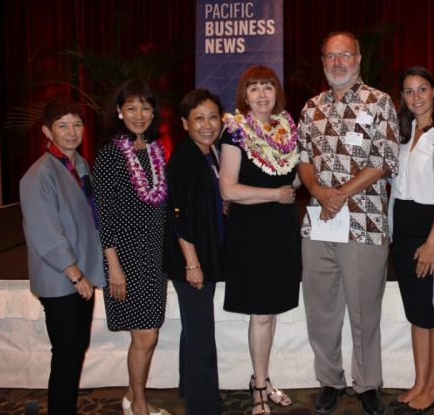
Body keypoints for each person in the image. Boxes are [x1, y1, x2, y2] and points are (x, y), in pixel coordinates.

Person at [298, 31, 399, 415]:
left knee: (363, 310)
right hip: (319, 223)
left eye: (345, 55)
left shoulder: (380, 103)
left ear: (358, 60)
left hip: (365, 224)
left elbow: (383, 159)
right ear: (323, 62)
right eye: (330, 56)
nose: (338, 62)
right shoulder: (310, 108)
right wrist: (318, 191)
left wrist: (338, 192)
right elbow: (303, 159)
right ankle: (329, 379)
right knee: (321, 309)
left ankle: (368, 383)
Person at [220, 65, 301, 415]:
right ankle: (258, 387)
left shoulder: (286, 130)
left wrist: (291, 189)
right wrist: (275, 195)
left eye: (268, 87)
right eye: (254, 88)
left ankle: (264, 378)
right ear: (245, 95)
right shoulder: (236, 133)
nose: (262, 94)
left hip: (281, 229)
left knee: (271, 310)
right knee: (262, 312)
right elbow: (228, 188)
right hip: (251, 233)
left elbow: (294, 180)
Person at [19, 98, 105, 415]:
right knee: (67, 353)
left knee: (74, 351)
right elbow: (46, 231)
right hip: (62, 280)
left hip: (79, 276)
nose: (71, 132)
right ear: (47, 130)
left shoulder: (79, 166)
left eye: (77, 124)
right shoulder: (39, 174)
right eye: (62, 126)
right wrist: (75, 273)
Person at [387, 66, 434, 415]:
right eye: (408, 91)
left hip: (430, 232)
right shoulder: (404, 135)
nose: (415, 97)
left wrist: (433, 242)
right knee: (417, 315)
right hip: (402, 233)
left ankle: (433, 389)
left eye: (421, 89)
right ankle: (419, 382)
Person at [93, 79, 169, 415]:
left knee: (148, 334)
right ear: (120, 112)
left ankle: (130, 395)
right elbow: (104, 215)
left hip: (154, 256)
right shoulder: (111, 155)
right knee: (146, 336)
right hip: (126, 257)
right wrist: (114, 267)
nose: (140, 115)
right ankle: (138, 405)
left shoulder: (154, 151)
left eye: (146, 108)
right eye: (132, 108)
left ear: (154, 112)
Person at [163, 89, 225, 414]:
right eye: (198, 118)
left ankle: (190, 388)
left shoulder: (209, 153)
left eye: (212, 117)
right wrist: (192, 263)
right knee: (202, 334)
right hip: (190, 261)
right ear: (185, 123)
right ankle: (204, 407)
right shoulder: (185, 158)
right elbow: (177, 214)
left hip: (202, 255)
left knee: (194, 328)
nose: (206, 124)